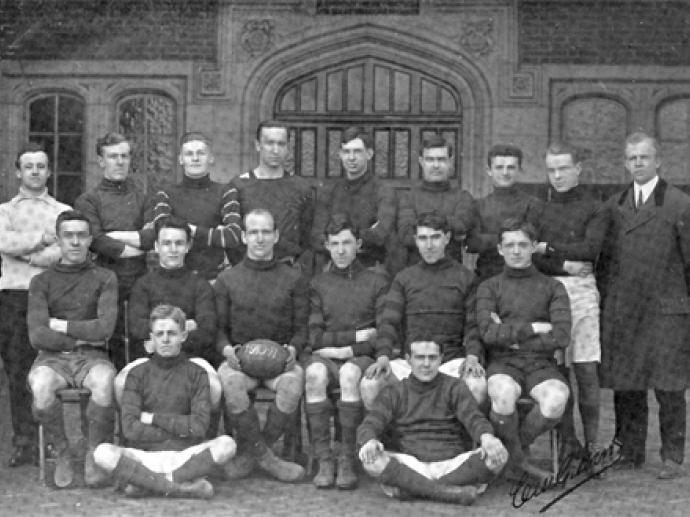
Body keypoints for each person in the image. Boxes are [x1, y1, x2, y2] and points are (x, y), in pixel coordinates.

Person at [598, 132, 690, 478]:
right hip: (627, 309)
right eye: (632, 158)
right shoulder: (615, 204)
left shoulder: (680, 204)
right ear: (625, 163)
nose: (638, 163)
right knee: (628, 383)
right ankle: (630, 451)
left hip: (667, 310)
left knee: (669, 386)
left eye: (644, 157)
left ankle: (671, 456)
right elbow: (605, 262)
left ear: (658, 161)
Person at [94, 304, 235, 499]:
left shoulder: (197, 373)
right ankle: (181, 488)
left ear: (183, 336)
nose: (165, 339)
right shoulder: (136, 374)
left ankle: (146, 484)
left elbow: (199, 427)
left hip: (186, 456)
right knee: (102, 453)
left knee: (227, 445)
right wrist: (178, 426)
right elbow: (130, 429)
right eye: (159, 334)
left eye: (172, 333)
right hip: (144, 457)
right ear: (151, 338)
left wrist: (151, 418)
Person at [27, 210, 118, 488]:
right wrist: (81, 335)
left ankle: (93, 450)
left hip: (93, 358)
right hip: (51, 359)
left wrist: (62, 326)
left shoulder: (105, 277)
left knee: (104, 382)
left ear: (90, 239)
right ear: (59, 240)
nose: (75, 242)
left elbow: (104, 330)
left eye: (81, 235)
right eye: (68, 236)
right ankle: (62, 449)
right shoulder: (41, 282)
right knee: (41, 387)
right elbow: (38, 336)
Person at [215, 208, 307, 482]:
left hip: (280, 361)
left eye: (266, 231)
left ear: (276, 235)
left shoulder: (293, 278)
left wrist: (293, 349)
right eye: (253, 232)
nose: (260, 238)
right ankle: (267, 458)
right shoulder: (227, 279)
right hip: (241, 362)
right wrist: (227, 351)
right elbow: (218, 330)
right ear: (243, 236)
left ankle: (255, 453)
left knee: (293, 383)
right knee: (230, 383)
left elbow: (303, 328)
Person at [359, 211, 486, 409]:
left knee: (477, 385)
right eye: (423, 238)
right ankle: (387, 440)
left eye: (435, 237)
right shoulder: (404, 279)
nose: (429, 245)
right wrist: (383, 356)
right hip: (411, 362)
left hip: (451, 362)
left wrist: (472, 356)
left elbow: (473, 325)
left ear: (447, 238)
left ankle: (459, 440)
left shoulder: (466, 278)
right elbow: (389, 322)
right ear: (416, 241)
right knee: (371, 384)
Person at [357, 339, 508, 505]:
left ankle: (415, 488)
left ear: (441, 359)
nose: (426, 364)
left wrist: (487, 438)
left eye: (432, 357)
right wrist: (370, 440)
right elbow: (371, 422)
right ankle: (446, 493)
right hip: (411, 464)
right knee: (370, 460)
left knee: (499, 456)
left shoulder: (455, 387)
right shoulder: (395, 391)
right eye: (420, 357)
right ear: (408, 360)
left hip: (452, 464)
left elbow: (474, 418)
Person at [477, 218, 571, 481]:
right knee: (503, 393)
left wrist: (509, 333)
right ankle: (519, 461)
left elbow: (561, 336)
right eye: (509, 245)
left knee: (555, 401)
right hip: (503, 362)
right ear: (499, 249)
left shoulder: (553, 287)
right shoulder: (489, 287)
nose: (516, 251)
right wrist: (534, 328)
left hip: (541, 364)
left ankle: (512, 452)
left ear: (533, 247)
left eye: (522, 245)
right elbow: (487, 333)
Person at [533, 142, 609, 462]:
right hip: (550, 292)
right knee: (557, 371)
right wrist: (562, 261)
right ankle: (567, 443)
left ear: (578, 168)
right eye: (552, 170)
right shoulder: (539, 209)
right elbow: (533, 261)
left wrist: (547, 247)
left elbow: (591, 250)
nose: (558, 175)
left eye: (564, 168)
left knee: (586, 370)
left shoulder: (595, 207)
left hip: (583, 294)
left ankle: (592, 443)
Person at [306, 213, 390, 489]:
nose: (341, 250)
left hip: (359, 358)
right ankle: (323, 458)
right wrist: (352, 339)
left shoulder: (376, 282)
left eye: (346, 243)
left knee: (351, 375)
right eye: (334, 244)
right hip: (328, 355)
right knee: (315, 375)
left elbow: (380, 334)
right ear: (327, 246)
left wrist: (348, 350)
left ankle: (346, 457)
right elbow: (315, 338)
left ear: (359, 244)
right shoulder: (318, 284)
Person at [0, 143, 71, 467]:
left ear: (49, 171)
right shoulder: (5, 211)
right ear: (18, 171)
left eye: (41, 166)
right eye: (28, 166)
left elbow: (65, 248)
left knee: (47, 369)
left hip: (48, 297)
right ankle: (24, 441)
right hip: (12, 295)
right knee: (17, 371)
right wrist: (39, 240)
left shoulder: (60, 211)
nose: (34, 172)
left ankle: (53, 440)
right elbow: (3, 241)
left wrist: (29, 254)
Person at [75, 132, 155, 369]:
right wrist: (137, 245)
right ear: (101, 161)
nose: (119, 162)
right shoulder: (88, 200)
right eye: (112, 157)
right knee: (110, 346)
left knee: (141, 342)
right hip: (104, 281)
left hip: (140, 281)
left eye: (124, 156)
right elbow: (96, 241)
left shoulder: (143, 197)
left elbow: (151, 237)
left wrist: (115, 236)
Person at [146, 132, 242, 281]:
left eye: (201, 153)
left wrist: (189, 230)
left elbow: (233, 237)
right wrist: (212, 234)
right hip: (175, 280)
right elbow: (162, 233)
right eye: (189, 154)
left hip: (213, 279)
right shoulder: (166, 194)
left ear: (211, 158)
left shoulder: (226, 192)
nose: (195, 158)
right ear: (181, 159)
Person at [128, 216, 217, 365]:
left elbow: (207, 332)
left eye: (179, 243)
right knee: (121, 383)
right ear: (156, 246)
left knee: (213, 385)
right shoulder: (143, 285)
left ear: (188, 246)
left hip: (191, 360)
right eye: (166, 243)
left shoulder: (201, 285)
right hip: (150, 361)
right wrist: (185, 325)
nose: (173, 249)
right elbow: (137, 328)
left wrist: (157, 337)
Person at [228, 121, 314, 271]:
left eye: (281, 144)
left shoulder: (301, 187)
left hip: (288, 272)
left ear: (288, 147)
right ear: (257, 145)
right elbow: (233, 236)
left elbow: (307, 238)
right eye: (269, 143)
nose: (275, 150)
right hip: (249, 271)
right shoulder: (239, 186)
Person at [312, 127, 396, 270]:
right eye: (346, 152)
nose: (351, 158)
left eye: (357, 152)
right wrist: (363, 235)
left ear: (369, 154)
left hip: (368, 265)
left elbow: (381, 234)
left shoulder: (383, 191)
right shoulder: (330, 191)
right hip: (334, 266)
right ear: (340, 154)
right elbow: (316, 235)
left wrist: (336, 238)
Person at [466, 144, 543, 282]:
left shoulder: (532, 205)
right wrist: (514, 239)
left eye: (511, 167)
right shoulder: (478, 205)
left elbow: (532, 242)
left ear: (519, 170)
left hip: (523, 277)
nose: (505, 173)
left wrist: (489, 239)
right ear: (489, 170)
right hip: (486, 276)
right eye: (499, 167)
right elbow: (472, 243)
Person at [397, 134, 474, 265]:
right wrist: (448, 224)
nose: (436, 165)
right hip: (415, 274)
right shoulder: (409, 198)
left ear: (450, 161)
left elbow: (461, 227)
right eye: (430, 160)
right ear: (421, 162)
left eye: (441, 159)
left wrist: (421, 221)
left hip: (452, 273)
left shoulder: (463, 197)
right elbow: (406, 236)